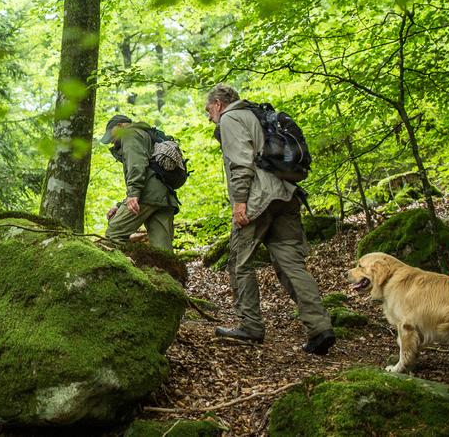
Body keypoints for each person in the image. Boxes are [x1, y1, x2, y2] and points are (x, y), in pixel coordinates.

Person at [205, 84, 335, 354]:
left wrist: (240, 202)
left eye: (208, 110)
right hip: (286, 195)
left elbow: (240, 163)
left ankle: (250, 326)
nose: (209, 117)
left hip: (258, 198)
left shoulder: (230, 118)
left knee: (240, 262)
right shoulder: (255, 114)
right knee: (291, 264)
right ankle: (320, 327)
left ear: (218, 103)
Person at [99, 114, 178, 252]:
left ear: (120, 126)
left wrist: (133, 194)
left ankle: (122, 272)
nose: (111, 141)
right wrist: (120, 205)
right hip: (165, 195)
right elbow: (148, 169)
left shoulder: (129, 134)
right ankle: (167, 274)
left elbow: (137, 165)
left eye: (111, 134)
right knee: (162, 250)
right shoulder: (145, 134)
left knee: (114, 234)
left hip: (147, 195)